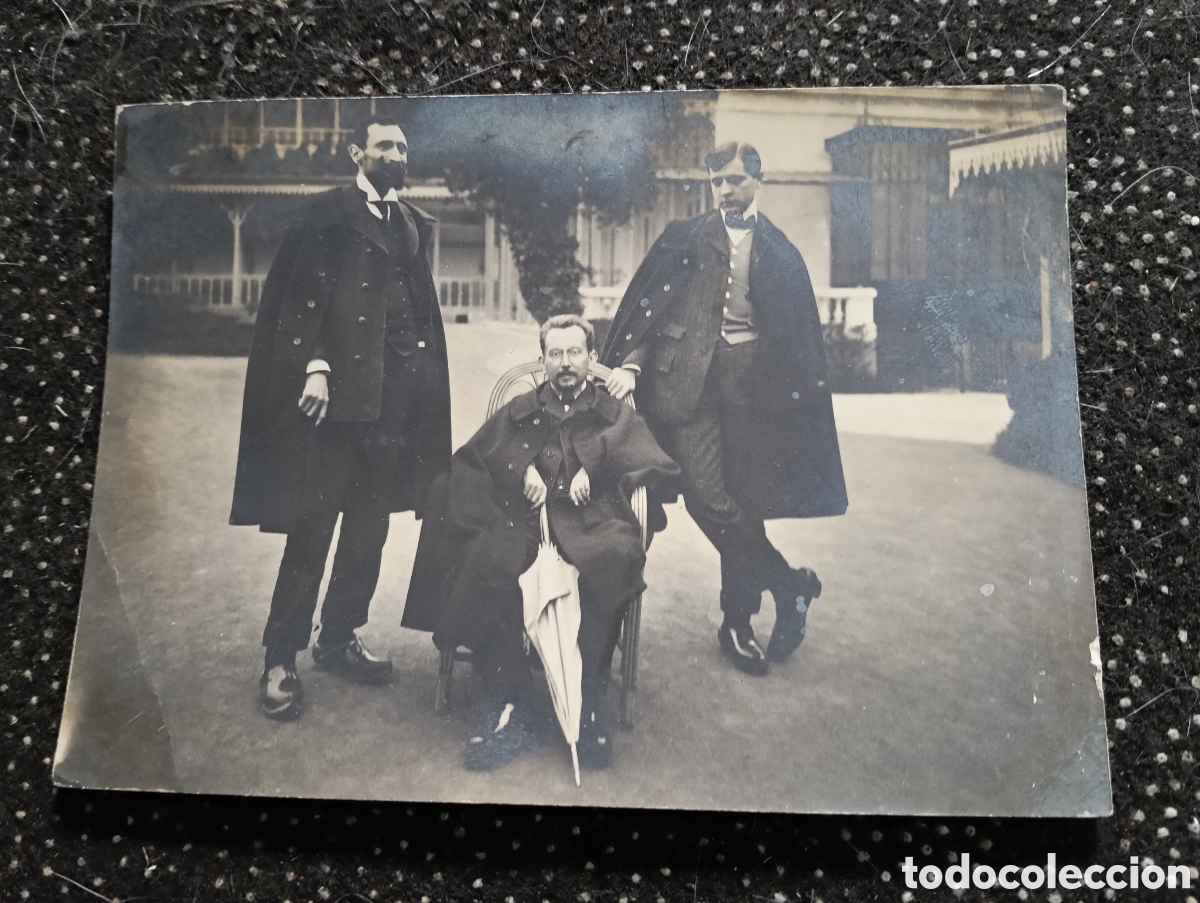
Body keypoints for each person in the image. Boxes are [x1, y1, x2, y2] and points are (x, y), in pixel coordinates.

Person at [230, 115, 452, 720]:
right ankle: (280, 658)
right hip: (335, 407)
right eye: (385, 145)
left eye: (404, 145)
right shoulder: (326, 212)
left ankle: (338, 638)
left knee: (368, 532)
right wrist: (316, 364)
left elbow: (418, 313)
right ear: (358, 152)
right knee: (312, 529)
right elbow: (301, 299)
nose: (397, 154)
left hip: (392, 406)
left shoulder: (407, 222)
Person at [599, 141, 848, 677]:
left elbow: (796, 339)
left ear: (758, 179)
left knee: (747, 502)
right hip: (686, 392)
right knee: (708, 498)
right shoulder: (684, 237)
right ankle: (790, 584)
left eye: (734, 180)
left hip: (754, 396)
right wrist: (632, 366)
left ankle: (737, 624)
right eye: (717, 182)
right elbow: (647, 309)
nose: (725, 190)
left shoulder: (781, 252)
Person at [402, 315, 678, 771]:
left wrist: (597, 466)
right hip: (524, 519)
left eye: (574, 353)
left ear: (591, 358)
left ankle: (587, 697)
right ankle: (511, 700)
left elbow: (656, 464)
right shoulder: (520, 408)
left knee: (612, 556)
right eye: (556, 354)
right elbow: (472, 460)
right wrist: (517, 466)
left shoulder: (614, 414)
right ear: (542, 359)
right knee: (492, 560)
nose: (565, 363)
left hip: (590, 520)